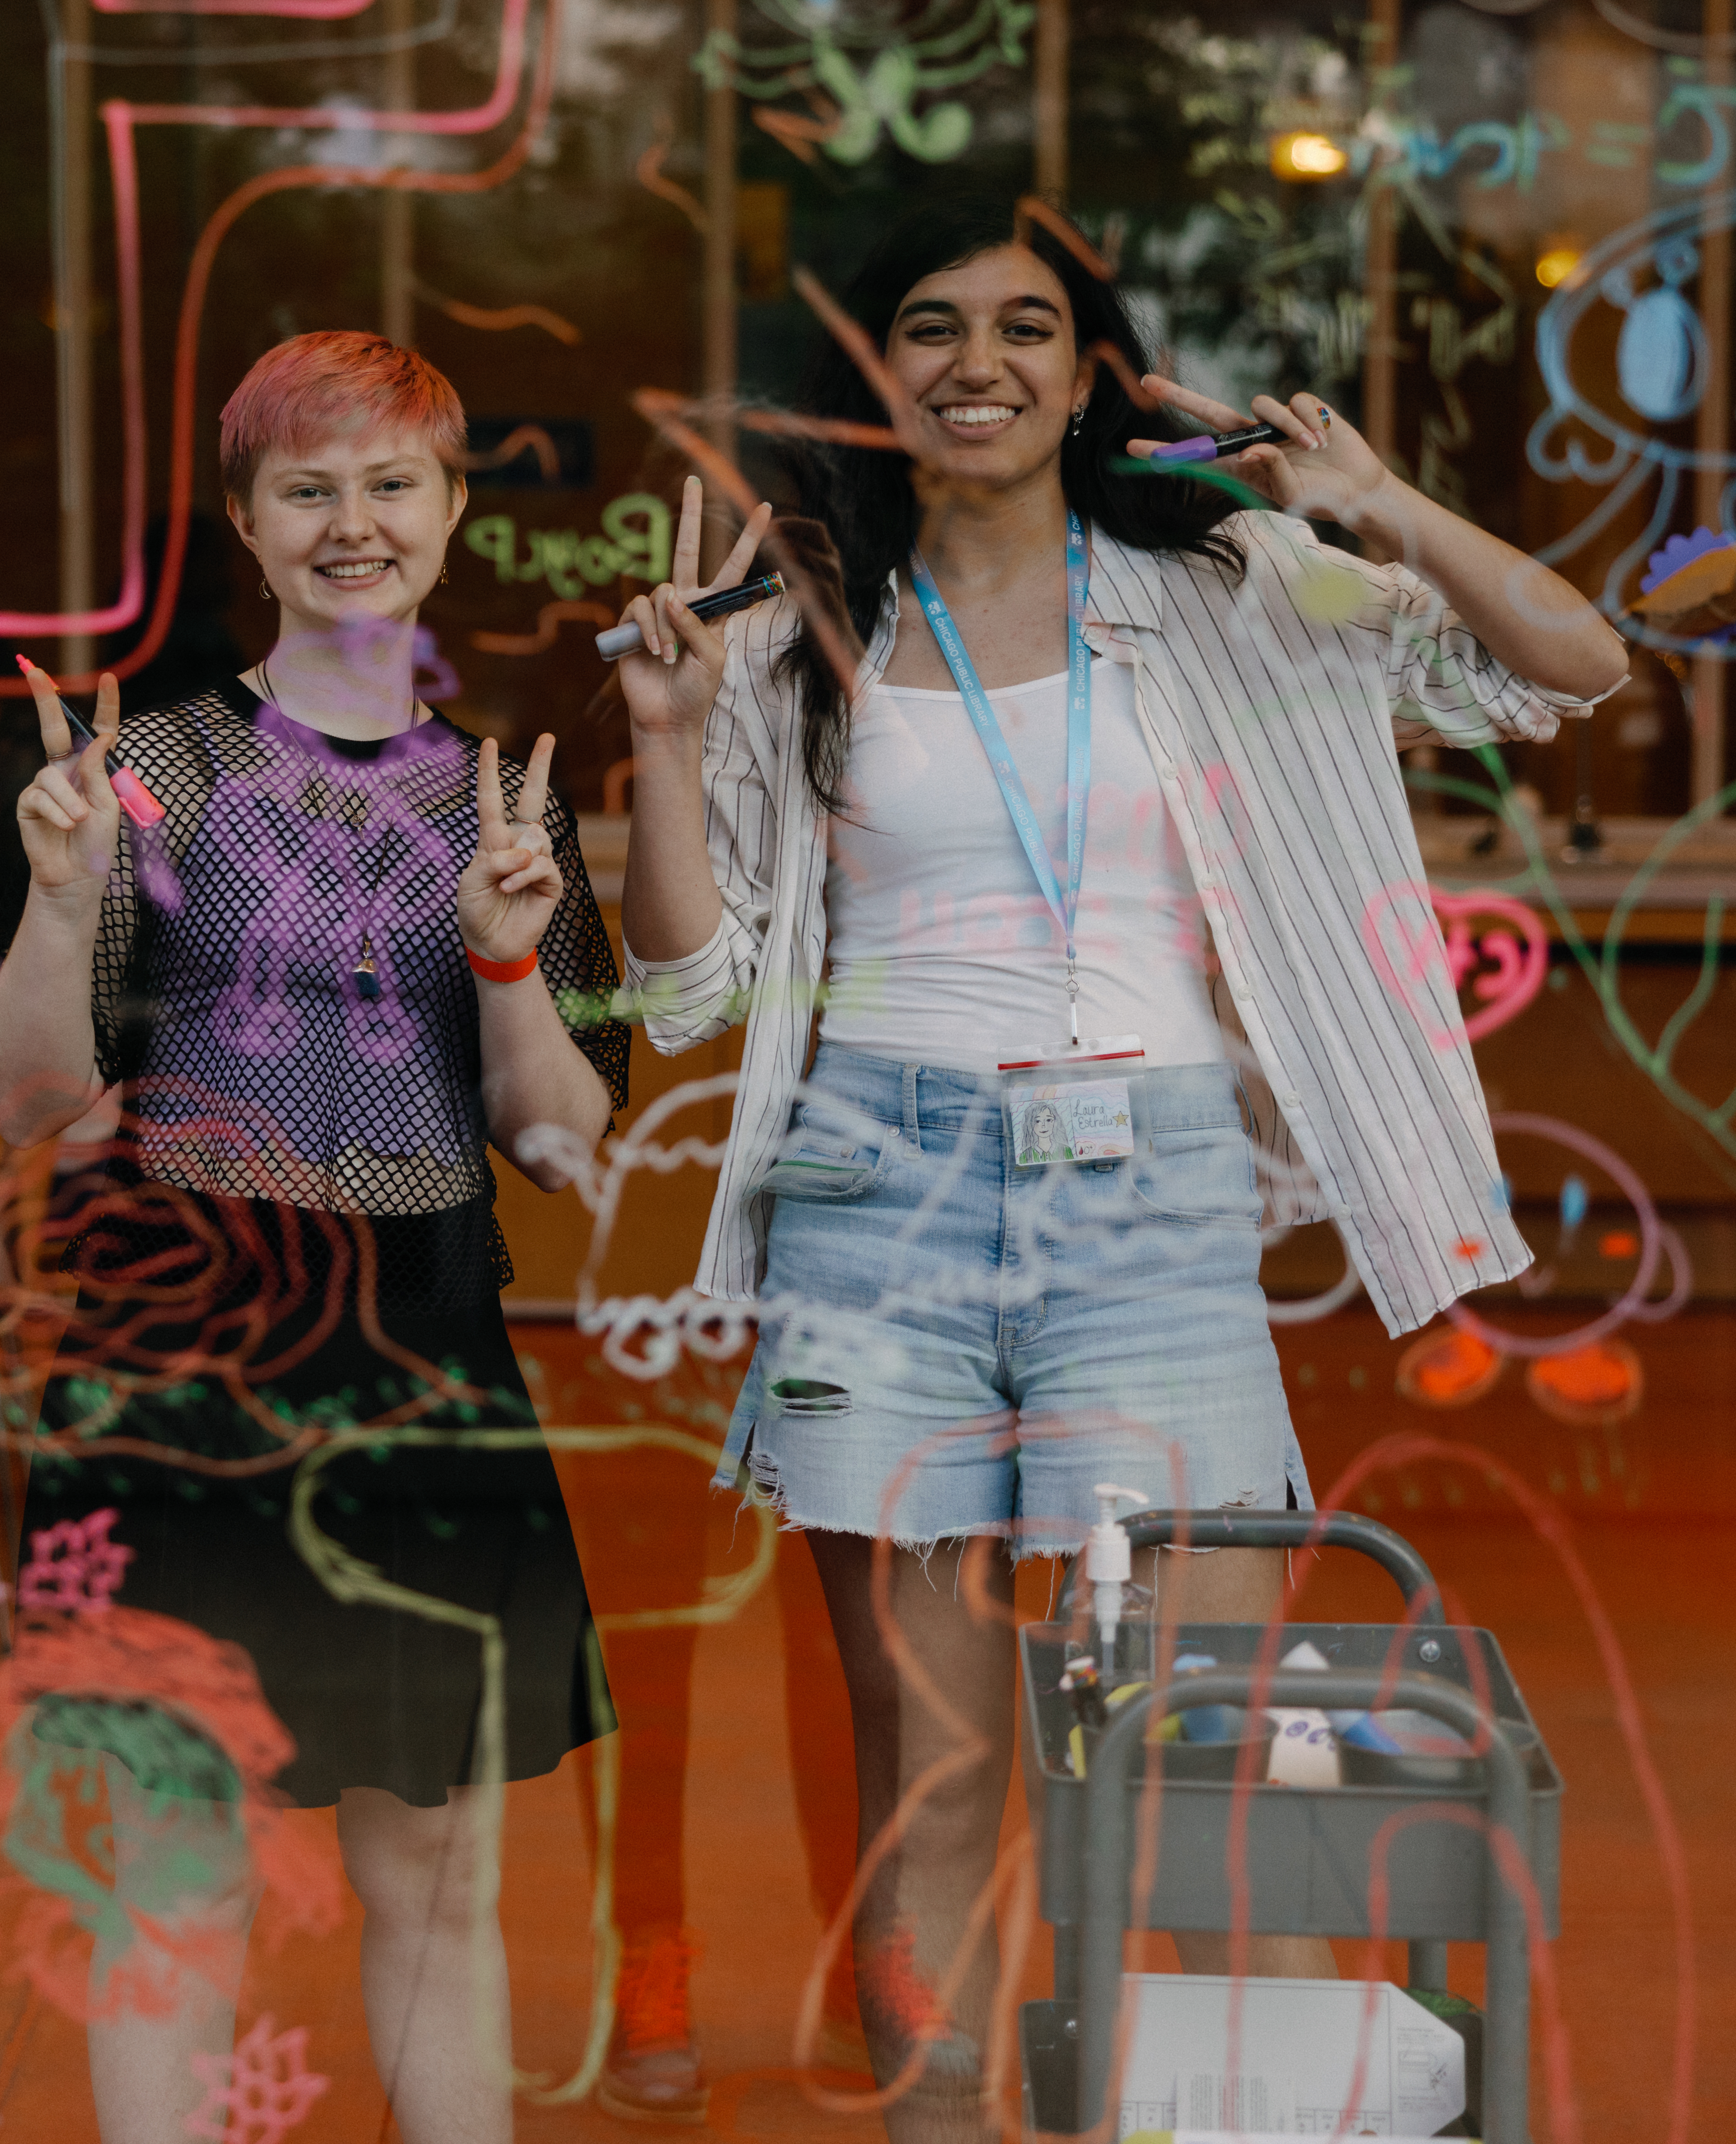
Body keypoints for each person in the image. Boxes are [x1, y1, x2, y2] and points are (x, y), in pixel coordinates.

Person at [607, 192, 1632, 2135]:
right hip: (876, 1205)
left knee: (1184, 1758)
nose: (975, 362)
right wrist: (663, 740)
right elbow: (680, 989)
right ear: (874, 373)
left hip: (1148, 1210)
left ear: (1089, 374)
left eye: (1023, 326)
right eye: (928, 324)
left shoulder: (1232, 583)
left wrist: (1377, 504)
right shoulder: (790, 630)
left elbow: (1567, 664)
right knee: (927, 1767)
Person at [0, 330, 627, 2144]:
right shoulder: (148, 776)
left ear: (449, 510)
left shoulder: (501, 798)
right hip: (180, 1361)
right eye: (306, 488)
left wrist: (505, 952)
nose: (352, 522)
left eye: (389, 483)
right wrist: (62, 899)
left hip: (421, 1355)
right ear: (246, 524)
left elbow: (558, 1139)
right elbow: (27, 1101)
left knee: (436, 1876)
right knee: (173, 1883)